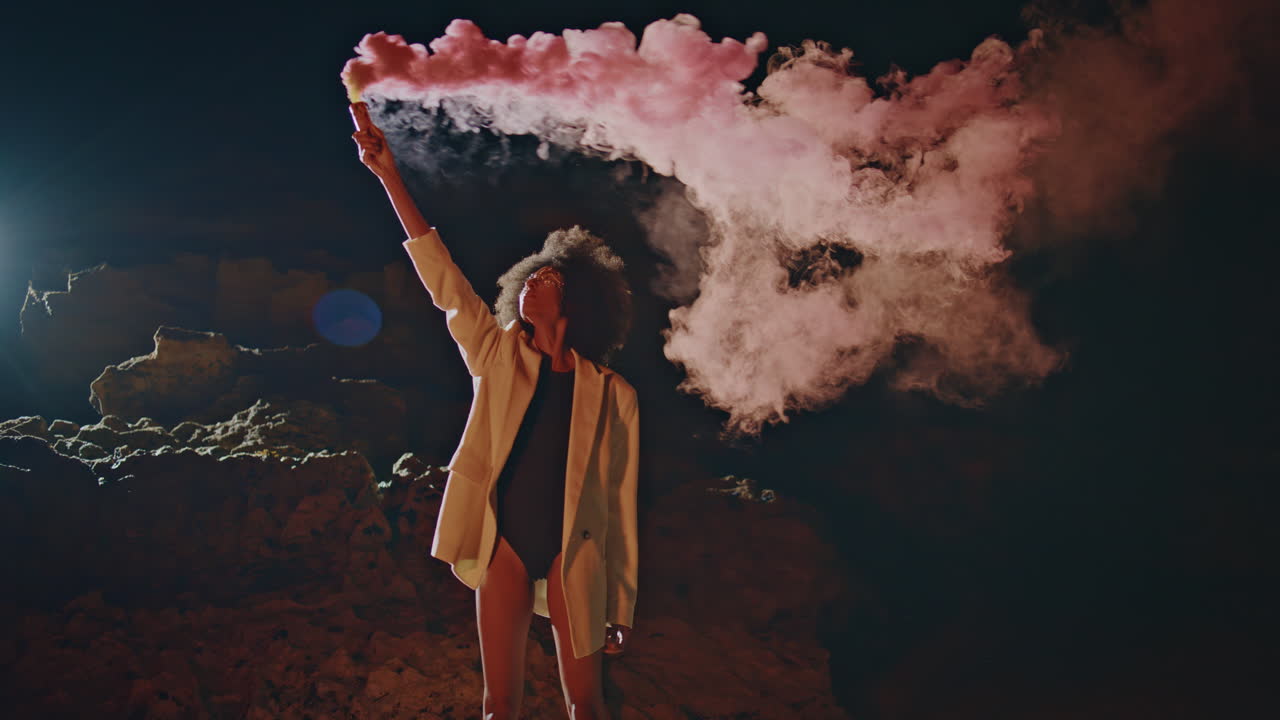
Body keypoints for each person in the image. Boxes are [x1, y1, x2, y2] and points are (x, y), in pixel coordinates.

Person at [353, 120, 639, 720]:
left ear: (577, 304)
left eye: (552, 277)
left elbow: (618, 503)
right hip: (503, 537)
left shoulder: (614, 394)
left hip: (574, 552)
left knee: (587, 703)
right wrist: (390, 176)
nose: (535, 278)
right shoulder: (496, 353)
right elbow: (446, 285)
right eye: (532, 273)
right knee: (498, 702)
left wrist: (621, 604)